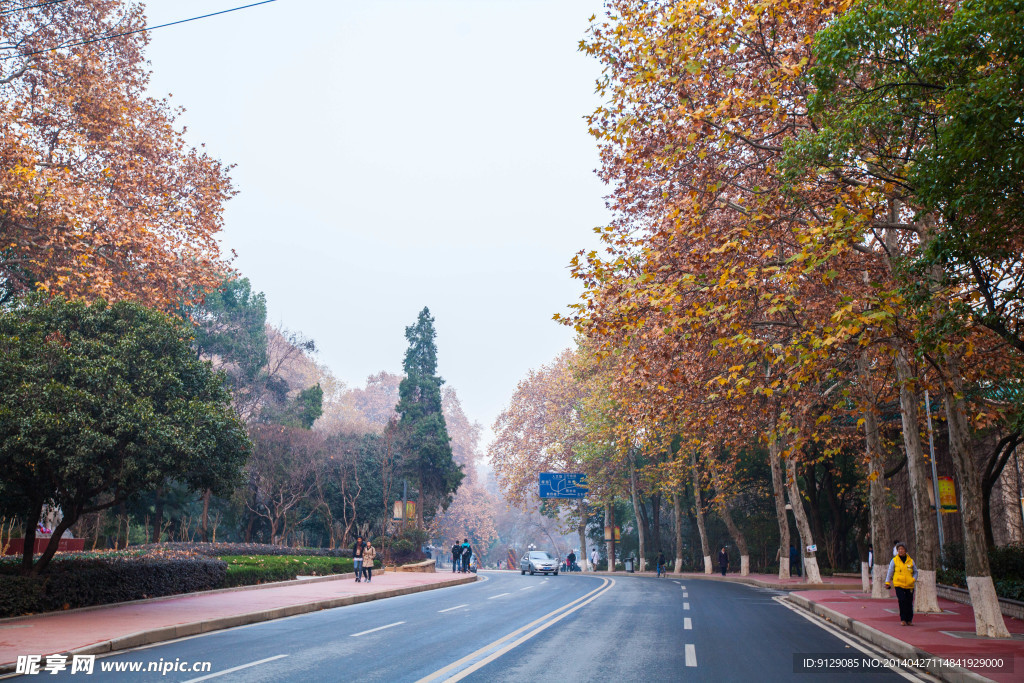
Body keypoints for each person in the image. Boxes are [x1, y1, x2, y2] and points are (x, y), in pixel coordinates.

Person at [885, 542, 918, 626]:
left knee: (909, 602)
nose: (900, 551)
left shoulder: (911, 561)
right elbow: (890, 572)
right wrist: (887, 582)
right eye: (899, 549)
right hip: (898, 584)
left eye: (902, 549)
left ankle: (909, 620)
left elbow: (915, 572)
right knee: (902, 600)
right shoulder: (894, 560)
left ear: (905, 550)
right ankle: (903, 619)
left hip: (909, 585)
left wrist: (913, 579)